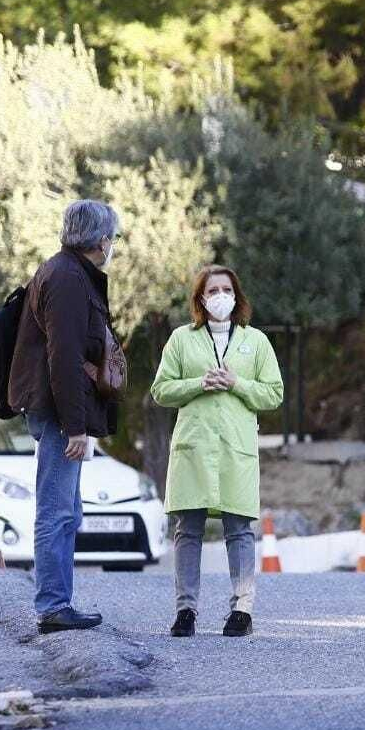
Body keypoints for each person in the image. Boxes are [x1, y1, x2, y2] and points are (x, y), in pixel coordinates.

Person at [8, 199, 124, 634]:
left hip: (55, 407)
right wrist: (76, 426)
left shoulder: (63, 271)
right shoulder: (70, 278)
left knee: (68, 510)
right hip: (58, 411)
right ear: (102, 239)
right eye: (112, 237)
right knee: (57, 511)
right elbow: (65, 357)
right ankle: (53, 606)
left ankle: (59, 601)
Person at [150, 264, 285, 639]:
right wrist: (199, 383)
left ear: (237, 296)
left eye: (227, 289)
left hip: (234, 448)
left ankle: (242, 608)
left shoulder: (255, 341)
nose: (220, 297)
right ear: (201, 298)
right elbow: (161, 390)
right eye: (213, 291)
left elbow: (274, 393)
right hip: (195, 445)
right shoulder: (181, 339)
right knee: (187, 529)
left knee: (238, 528)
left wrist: (237, 383)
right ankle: (186, 610)